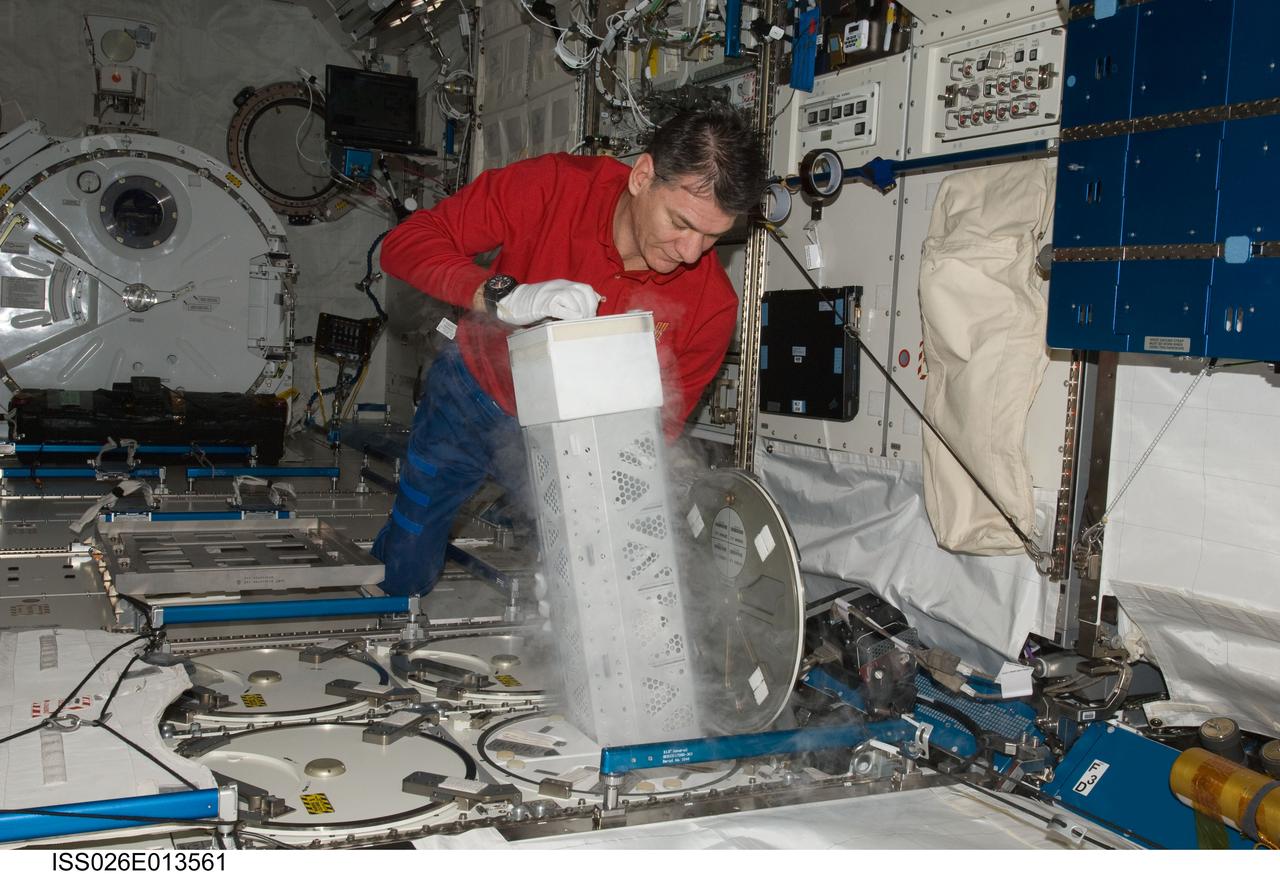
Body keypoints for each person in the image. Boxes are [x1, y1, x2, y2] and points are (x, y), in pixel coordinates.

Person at [371, 107, 767, 597]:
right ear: (642, 177)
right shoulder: (553, 187)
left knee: (583, 588)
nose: (692, 252)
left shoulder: (711, 306)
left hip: (572, 447)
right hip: (470, 397)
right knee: (409, 559)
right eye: (681, 223)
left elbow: (656, 429)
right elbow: (404, 243)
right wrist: (502, 295)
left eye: (713, 236)